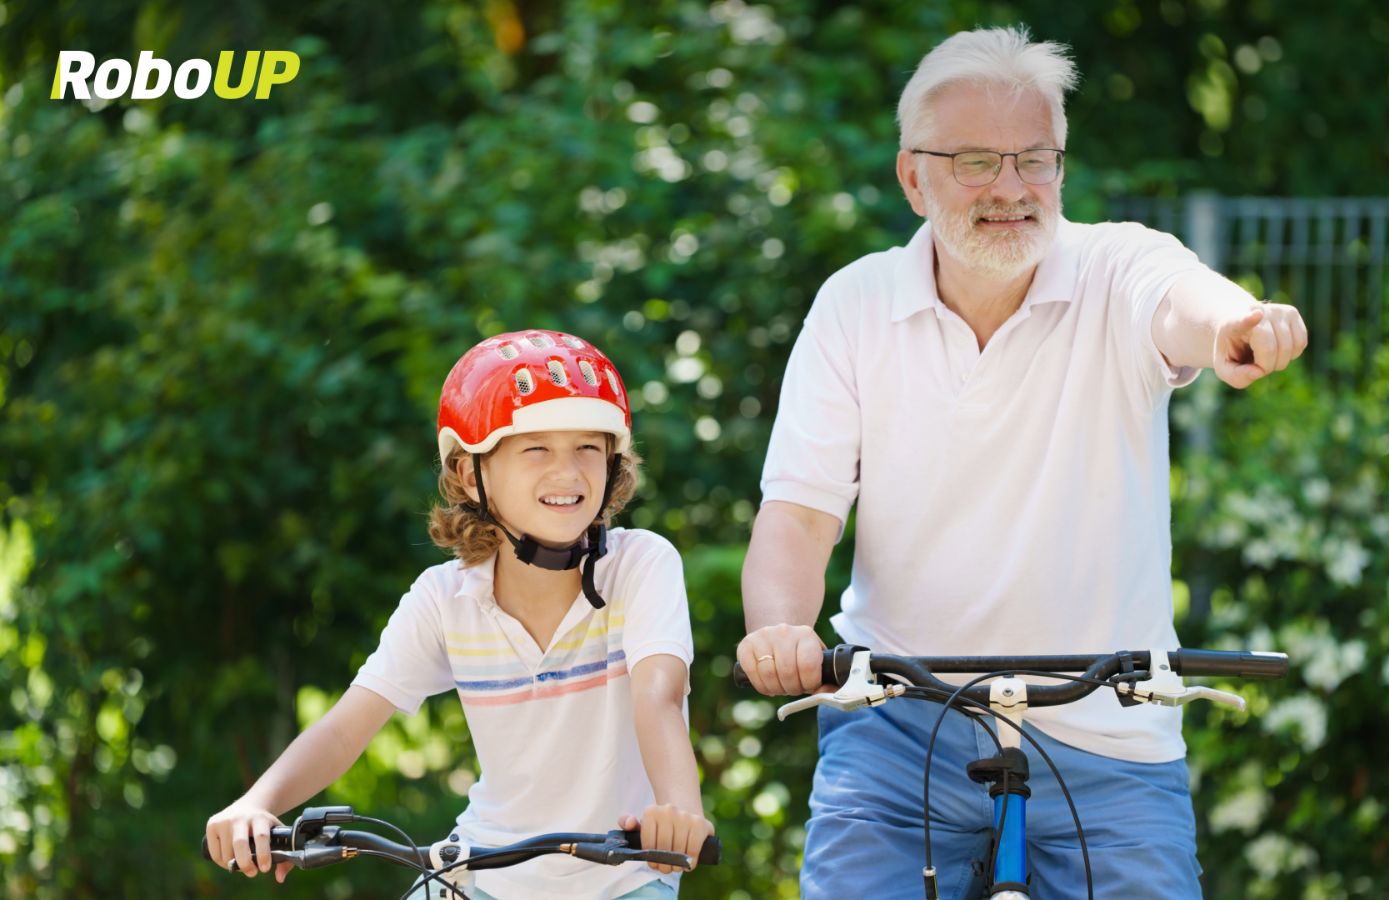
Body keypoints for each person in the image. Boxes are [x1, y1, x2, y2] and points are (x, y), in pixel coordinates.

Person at [736, 26, 1307, 899]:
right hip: (897, 723)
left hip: (1110, 733)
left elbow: (1187, 300)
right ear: (912, 175)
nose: (1010, 188)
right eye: (974, 161)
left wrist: (1241, 321)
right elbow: (802, 513)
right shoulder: (854, 306)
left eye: (1034, 159)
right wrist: (779, 625)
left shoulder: (1118, 268)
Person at [205, 329, 712, 899]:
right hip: (479, 875)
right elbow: (347, 727)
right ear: (471, 473)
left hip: (623, 877)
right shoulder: (445, 600)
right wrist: (258, 803)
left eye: (587, 448)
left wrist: (679, 812)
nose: (567, 472)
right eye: (536, 448)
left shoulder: (641, 566)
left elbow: (659, 696)